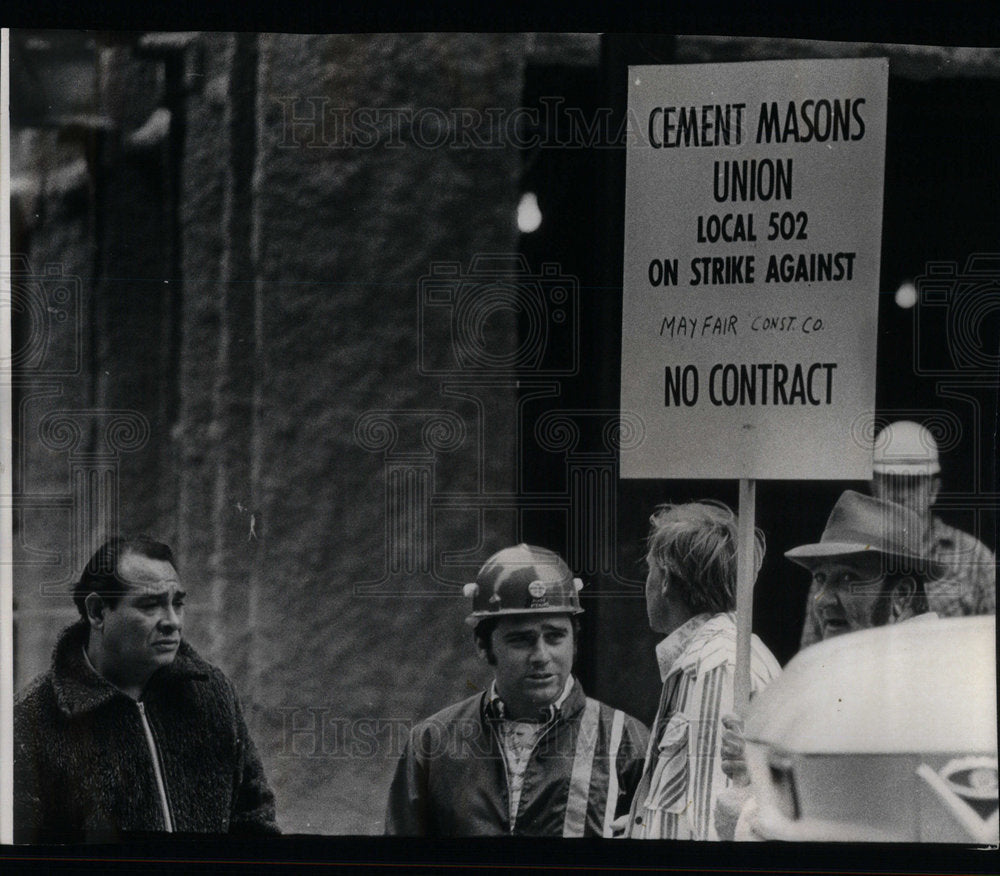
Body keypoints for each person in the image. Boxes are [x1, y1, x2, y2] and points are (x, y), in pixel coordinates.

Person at [14, 536, 279, 841]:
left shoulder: (212, 693)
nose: (172, 622)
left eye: (177, 603)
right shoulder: (30, 720)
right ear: (98, 611)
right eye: (150, 605)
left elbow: (255, 825)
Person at [719, 489, 944, 837]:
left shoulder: (916, 679)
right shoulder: (873, 670)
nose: (823, 599)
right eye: (821, 578)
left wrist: (745, 810)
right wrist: (757, 772)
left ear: (901, 597)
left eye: (848, 578)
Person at [384, 544, 649, 836]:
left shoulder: (628, 742)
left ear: (575, 641)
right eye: (521, 640)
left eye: (555, 636)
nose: (541, 656)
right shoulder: (431, 743)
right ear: (483, 646)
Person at [625, 501, 782, 841]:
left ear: (665, 579)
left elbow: (717, 820)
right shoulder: (709, 655)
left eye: (649, 570)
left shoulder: (715, 665)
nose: (647, 584)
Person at [799, 420, 995, 648]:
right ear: (874, 485)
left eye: (911, 484)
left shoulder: (974, 558)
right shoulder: (839, 560)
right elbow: (811, 654)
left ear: (933, 490)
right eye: (891, 482)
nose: (900, 495)